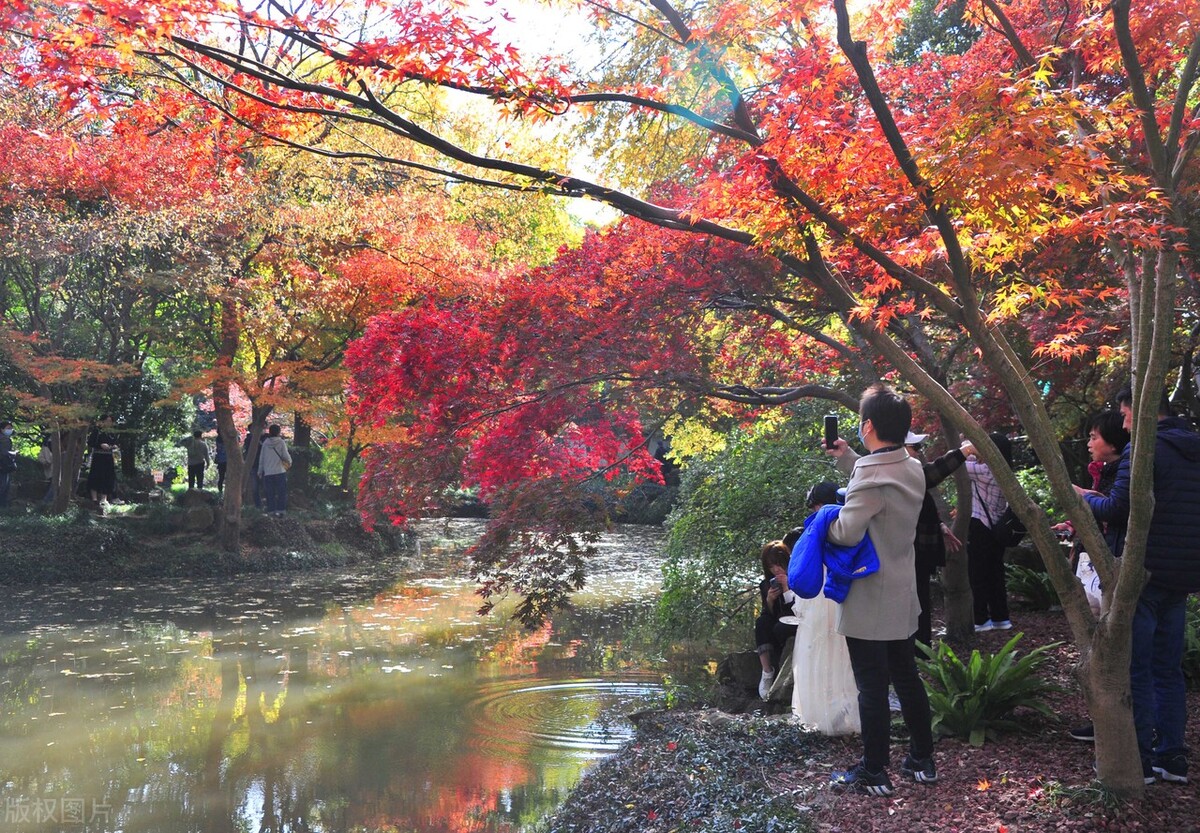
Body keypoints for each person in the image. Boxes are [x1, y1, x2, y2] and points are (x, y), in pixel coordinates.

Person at [1076, 385, 1200, 784]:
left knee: (1140, 668)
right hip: (1183, 571)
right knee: (1168, 668)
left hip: (1144, 573)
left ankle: (1142, 760)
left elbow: (1117, 507)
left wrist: (1083, 499)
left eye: (1124, 412)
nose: (1123, 421)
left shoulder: (1145, 450)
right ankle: (1173, 756)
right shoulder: (1192, 449)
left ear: (1140, 411)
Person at [824, 384, 935, 796]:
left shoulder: (871, 476)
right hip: (902, 591)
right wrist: (849, 460)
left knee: (871, 686)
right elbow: (877, 476)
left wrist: (822, 523)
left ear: (867, 425)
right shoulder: (911, 465)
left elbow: (847, 533)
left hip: (870, 594)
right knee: (906, 677)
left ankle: (874, 771)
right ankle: (922, 759)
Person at [1055, 410, 1129, 744]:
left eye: (1094, 437)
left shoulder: (1122, 475)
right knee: (1094, 642)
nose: (1088, 443)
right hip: (1092, 565)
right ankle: (1101, 719)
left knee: (1105, 643)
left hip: (1108, 569)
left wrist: (1082, 497)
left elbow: (1112, 513)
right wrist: (1072, 525)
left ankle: (1115, 722)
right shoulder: (1104, 473)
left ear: (1112, 443)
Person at [906, 432, 971, 651]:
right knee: (916, 608)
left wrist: (939, 526)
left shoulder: (907, 476)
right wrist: (964, 452)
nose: (919, 452)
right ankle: (917, 656)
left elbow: (921, 507)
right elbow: (933, 473)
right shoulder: (899, 475)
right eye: (915, 447)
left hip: (919, 555)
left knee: (920, 605)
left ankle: (920, 654)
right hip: (908, 556)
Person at [964, 432, 1015, 633]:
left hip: (980, 526)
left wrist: (970, 447)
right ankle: (1001, 617)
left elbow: (960, 462)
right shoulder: (1006, 473)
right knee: (995, 573)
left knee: (977, 574)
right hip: (997, 529)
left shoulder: (985, 471)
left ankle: (980, 619)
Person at [755, 541, 799, 700]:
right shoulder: (766, 584)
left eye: (779, 565)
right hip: (777, 621)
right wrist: (770, 601)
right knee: (761, 623)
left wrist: (787, 588)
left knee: (781, 628)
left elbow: (797, 609)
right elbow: (767, 614)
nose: (776, 570)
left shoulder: (797, 579)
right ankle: (767, 672)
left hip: (794, 621)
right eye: (771, 567)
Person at [258, 424, 292, 515]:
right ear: (278, 432)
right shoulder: (281, 442)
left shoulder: (265, 443)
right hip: (279, 471)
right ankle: (281, 510)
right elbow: (286, 455)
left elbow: (262, 458)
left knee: (270, 493)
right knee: (281, 492)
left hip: (268, 472)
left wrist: (260, 470)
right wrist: (289, 462)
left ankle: (271, 511)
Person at [85, 415, 118, 504]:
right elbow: (90, 442)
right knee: (96, 476)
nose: (109, 423)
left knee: (108, 477)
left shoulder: (112, 433)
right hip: (98, 457)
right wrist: (100, 445)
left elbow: (115, 443)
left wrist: (113, 446)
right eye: (107, 421)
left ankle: (104, 498)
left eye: (110, 421)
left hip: (108, 457)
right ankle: (94, 499)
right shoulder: (97, 431)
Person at [0, 421, 16, 509]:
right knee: (3, 487)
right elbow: (4, 453)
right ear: (2, 429)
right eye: (8, 428)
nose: (10, 430)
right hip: (3, 466)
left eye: (11, 428)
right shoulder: (4, 439)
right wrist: (13, 453)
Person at [38, 433, 55, 506]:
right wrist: (45, 462)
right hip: (49, 470)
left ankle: (46, 500)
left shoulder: (62, 447)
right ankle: (46, 501)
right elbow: (40, 457)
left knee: (53, 485)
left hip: (59, 471)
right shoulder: (45, 448)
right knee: (52, 484)